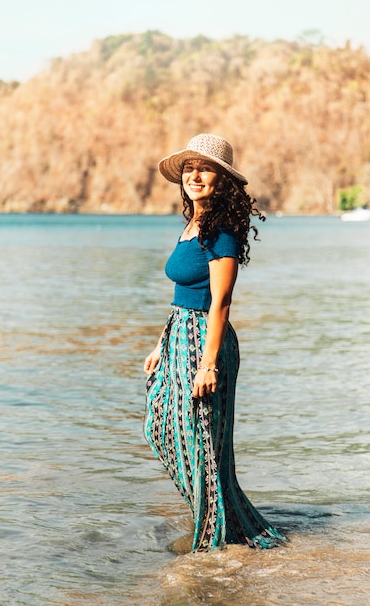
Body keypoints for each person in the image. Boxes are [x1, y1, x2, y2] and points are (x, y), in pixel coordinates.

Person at [144, 133, 286, 552]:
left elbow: (220, 300)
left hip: (204, 340)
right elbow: (182, 294)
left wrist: (208, 364)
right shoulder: (192, 224)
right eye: (189, 169)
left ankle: (214, 536)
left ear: (222, 179)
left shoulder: (221, 230)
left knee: (202, 441)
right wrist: (160, 343)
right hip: (177, 335)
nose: (195, 176)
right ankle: (218, 520)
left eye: (204, 169)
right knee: (162, 428)